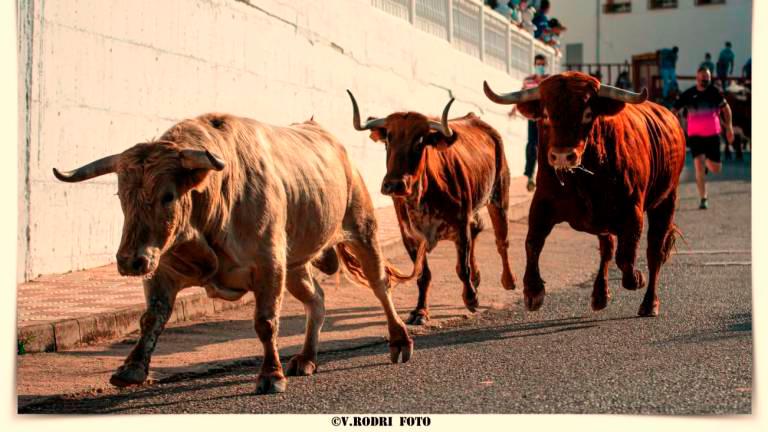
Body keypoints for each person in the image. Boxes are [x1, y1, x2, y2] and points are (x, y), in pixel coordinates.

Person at [673, 67, 735, 209]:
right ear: (697, 78)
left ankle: (708, 162)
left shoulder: (714, 93)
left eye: (707, 78)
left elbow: (726, 109)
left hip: (713, 136)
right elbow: (674, 110)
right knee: (698, 167)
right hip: (695, 136)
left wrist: (729, 127)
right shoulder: (688, 94)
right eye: (702, 78)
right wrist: (672, 126)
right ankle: (703, 198)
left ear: (710, 78)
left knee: (716, 168)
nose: (705, 80)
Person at [509, 54, 548, 192]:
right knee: (532, 145)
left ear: (546, 65)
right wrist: (514, 108)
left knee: (544, 146)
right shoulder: (528, 80)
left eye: (542, 65)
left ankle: (545, 177)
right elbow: (521, 95)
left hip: (546, 121)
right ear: (534, 65)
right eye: (538, 64)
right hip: (533, 119)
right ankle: (530, 175)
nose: (540, 67)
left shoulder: (550, 80)